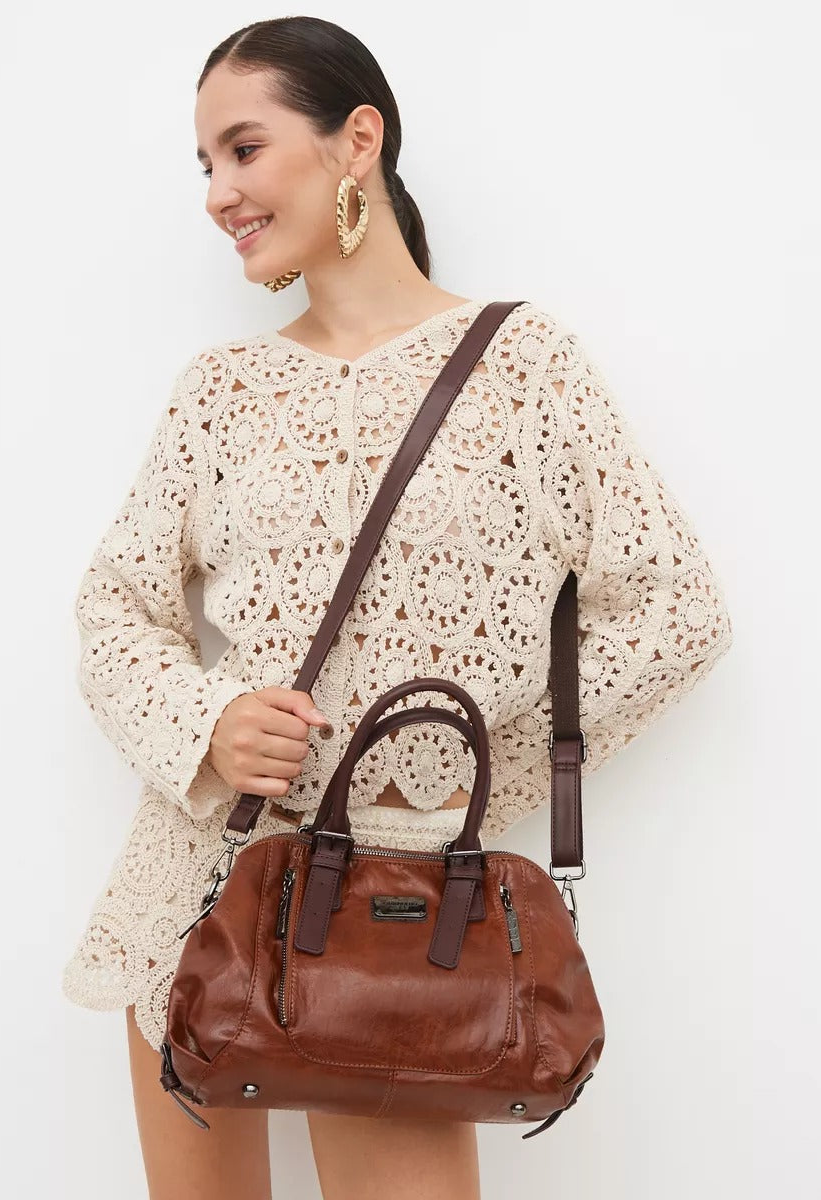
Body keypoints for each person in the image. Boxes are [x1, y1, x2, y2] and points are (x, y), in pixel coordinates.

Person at [62, 15, 733, 1200]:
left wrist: (460, 769)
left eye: (244, 149)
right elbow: (116, 609)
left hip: (403, 916)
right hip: (203, 891)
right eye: (205, 164)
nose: (218, 193)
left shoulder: (526, 367)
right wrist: (210, 723)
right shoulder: (220, 392)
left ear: (356, 140)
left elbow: (677, 613)